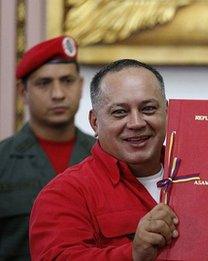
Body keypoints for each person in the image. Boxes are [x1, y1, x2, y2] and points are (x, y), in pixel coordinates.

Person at [29, 59, 178, 261]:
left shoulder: (202, 176)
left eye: (148, 109)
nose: (136, 123)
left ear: (168, 113)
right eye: (120, 112)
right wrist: (132, 254)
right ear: (95, 122)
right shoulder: (65, 193)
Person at [0, 36, 94, 260]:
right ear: (23, 93)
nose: (58, 94)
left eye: (67, 81)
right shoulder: (3, 161)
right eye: (44, 83)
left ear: (80, 86)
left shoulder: (106, 156)